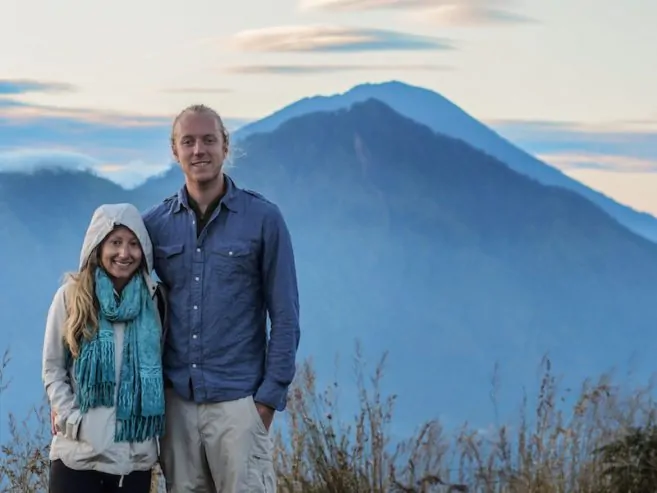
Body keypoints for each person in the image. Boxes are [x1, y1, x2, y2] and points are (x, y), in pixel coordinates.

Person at [142, 103, 301, 492]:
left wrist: (266, 401)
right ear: (174, 150)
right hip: (176, 406)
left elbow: (285, 315)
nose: (199, 150)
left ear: (225, 146)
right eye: (189, 141)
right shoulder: (153, 226)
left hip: (240, 403)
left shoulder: (263, 219)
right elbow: (116, 297)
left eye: (209, 140)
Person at [42, 203, 166, 493]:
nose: (124, 253)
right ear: (97, 246)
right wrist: (74, 422)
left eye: (134, 244)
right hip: (78, 457)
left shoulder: (154, 302)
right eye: (116, 242)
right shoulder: (71, 297)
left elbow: (164, 369)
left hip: (133, 461)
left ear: (144, 251)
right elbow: (53, 368)